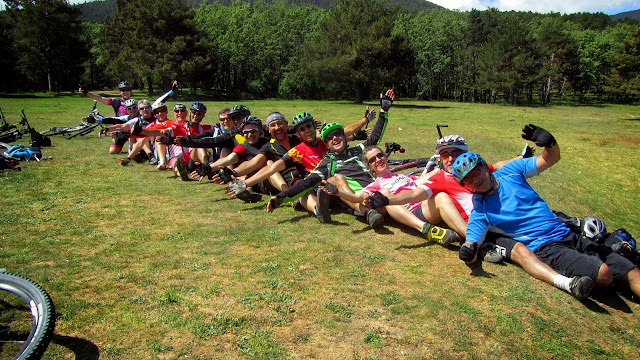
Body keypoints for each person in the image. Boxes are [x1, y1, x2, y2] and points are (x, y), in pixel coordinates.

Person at [455, 124, 640, 300]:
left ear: (484, 166)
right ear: (466, 186)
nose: (475, 180)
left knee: (631, 271)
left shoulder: (511, 171)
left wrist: (550, 143)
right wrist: (468, 253)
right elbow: (472, 243)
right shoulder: (480, 209)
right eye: (468, 180)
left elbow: (550, 159)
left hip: (567, 233)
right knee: (605, 274)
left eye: (476, 172)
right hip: (546, 247)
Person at [265, 89, 395, 228]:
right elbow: (306, 183)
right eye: (329, 138)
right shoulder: (328, 162)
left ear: (345, 137)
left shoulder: (357, 150)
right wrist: (281, 198)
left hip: (382, 191)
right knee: (335, 179)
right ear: (326, 144)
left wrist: (383, 110)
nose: (335, 138)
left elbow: (374, 137)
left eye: (338, 134)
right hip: (365, 200)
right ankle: (367, 213)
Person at [320, 145, 461, 245]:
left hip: (424, 205)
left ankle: (471, 238)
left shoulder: (401, 176)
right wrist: (338, 193)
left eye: (380, 155)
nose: (378, 160)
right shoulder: (376, 185)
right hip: (412, 212)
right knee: (385, 197)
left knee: (441, 195)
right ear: (370, 168)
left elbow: (418, 183)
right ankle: (426, 230)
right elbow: (357, 198)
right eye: (372, 160)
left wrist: (441, 168)